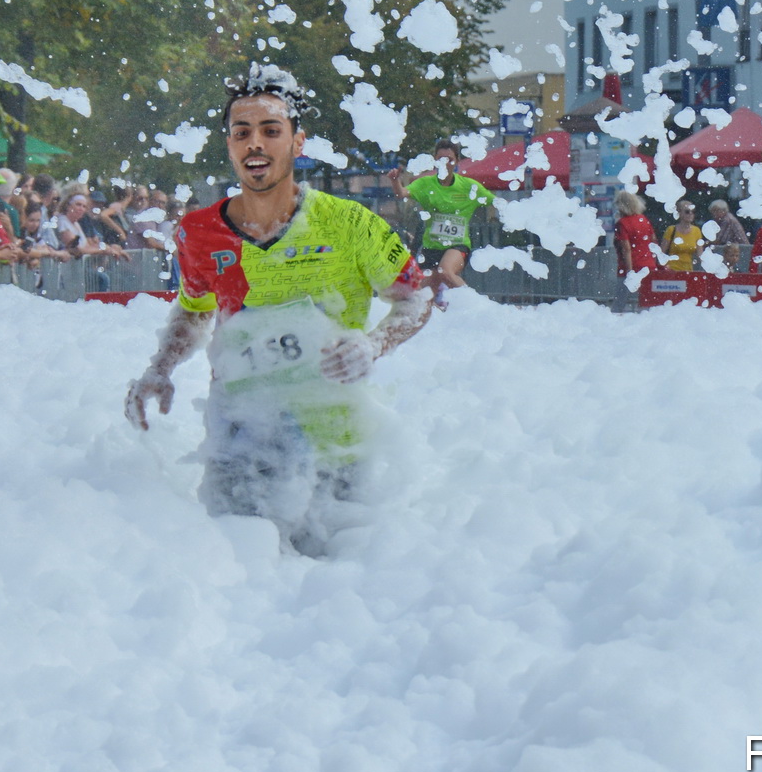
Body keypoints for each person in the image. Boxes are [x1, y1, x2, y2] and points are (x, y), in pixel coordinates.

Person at [124, 64, 431, 557]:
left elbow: (415, 299)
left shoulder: (349, 223)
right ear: (229, 145)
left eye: (271, 130)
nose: (255, 144)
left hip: (335, 442)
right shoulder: (200, 233)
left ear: (297, 142)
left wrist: (372, 345)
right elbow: (194, 309)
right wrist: (159, 368)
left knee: (342, 591)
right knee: (238, 574)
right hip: (240, 438)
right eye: (241, 132)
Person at [387, 138, 496, 291]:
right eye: (441, 159)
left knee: (445, 271)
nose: (445, 163)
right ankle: (446, 312)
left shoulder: (468, 186)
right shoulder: (425, 184)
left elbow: (498, 203)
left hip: (457, 247)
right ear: (435, 161)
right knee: (422, 297)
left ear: (457, 161)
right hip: (430, 249)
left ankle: (477, 304)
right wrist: (395, 181)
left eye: (449, 160)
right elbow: (402, 193)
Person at [612, 190, 658, 300]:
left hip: (631, 266)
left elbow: (626, 249)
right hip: (648, 266)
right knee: (646, 303)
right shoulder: (644, 220)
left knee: (620, 304)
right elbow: (654, 241)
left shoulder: (622, 223)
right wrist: (654, 262)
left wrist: (629, 272)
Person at [660, 201, 704, 271]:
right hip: (671, 270)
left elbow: (700, 255)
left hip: (688, 270)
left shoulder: (697, 231)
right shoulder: (671, 230)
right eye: (687, 211)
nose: (690, 214)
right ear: (679, 213)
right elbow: (661, 252)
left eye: (693, 211)